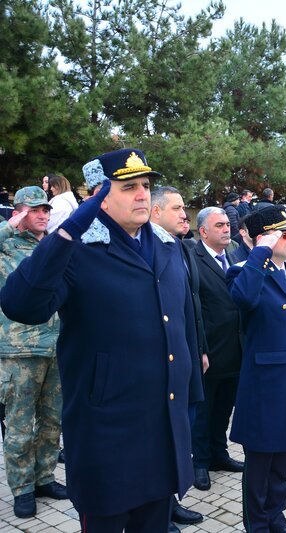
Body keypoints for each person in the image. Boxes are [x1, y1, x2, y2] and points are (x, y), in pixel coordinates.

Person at [1, 149, 203, 531]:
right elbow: (20, 305)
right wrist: (64, 233)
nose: (143, 194)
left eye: (146, 185)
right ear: (100, 197)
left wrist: (191, 387)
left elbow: (181, 321)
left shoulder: (166, 245)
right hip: (107, 431)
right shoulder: (77, 249)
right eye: (129, 187)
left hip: (162, 426)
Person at [227, 206, 286, 533]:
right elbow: (244, 298)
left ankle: (276, 517)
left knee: (282, 460)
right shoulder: (244, 271)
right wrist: (260, 251)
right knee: (261, 461)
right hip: (265, 383)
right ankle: (258, 524)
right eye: (285, 234)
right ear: (266, 237)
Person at [0, 187, 66, 519]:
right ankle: (22, 488)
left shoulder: (50, 245)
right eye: (34, 210)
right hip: (19, 350)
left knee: (53, 421)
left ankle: (44, 478)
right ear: (20, 213)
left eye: (45, 210)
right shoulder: (6, 245)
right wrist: (12, 225)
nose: (42, 215)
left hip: (55, 346)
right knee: (20, 426)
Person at [149, 186, 207, 530]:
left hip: (185, 357)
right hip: (162, 367)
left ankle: (170, 502)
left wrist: (197, 348)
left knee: (179, 435)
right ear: (156, 213)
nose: (184, 214)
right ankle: (159, 510)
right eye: (177, 208)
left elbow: (188, 306)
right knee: (162, 440)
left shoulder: (179, 247)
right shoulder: (151, 248)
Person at [192, 207, 244, 490]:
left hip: (235, 349)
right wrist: (200, 348)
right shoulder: (193, 259)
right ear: (203, 232)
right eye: (220, 225)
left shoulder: (235, 257)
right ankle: (199, 461)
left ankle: (218, 454)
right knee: (204, 410)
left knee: (224, 408)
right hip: (209, 352)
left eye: (227, 224)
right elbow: (193, 308)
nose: (227, 229)